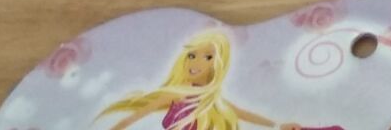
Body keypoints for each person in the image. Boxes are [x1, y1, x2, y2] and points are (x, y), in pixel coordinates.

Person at [100, 29, 297, 130]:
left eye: (208, 57)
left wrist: (277, 125)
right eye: (192, 55)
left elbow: (242, 113)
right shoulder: (176, 93)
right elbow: (135, 116)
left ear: (217, 64)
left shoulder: (210, 99)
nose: (197, 62)